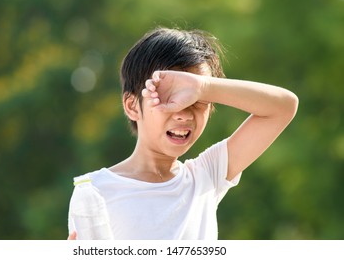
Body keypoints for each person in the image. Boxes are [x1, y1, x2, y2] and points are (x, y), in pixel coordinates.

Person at [67, 27, 298, 240]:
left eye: (198, 101)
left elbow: (283, 107)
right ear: (132, 106)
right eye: (168, 98)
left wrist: (204, 86)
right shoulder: (94, 191)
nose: (184, 114)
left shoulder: (205, 177)